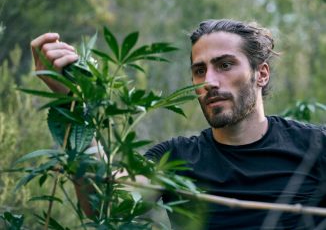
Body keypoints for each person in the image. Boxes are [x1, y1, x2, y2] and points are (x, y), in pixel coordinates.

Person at [31, 19, 326, 229]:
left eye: (225, 65)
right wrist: (72, 105)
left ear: (261, 74)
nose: (209, 82)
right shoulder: (174, 158)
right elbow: (105, 204)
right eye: (199, 70)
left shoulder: (316, 146)